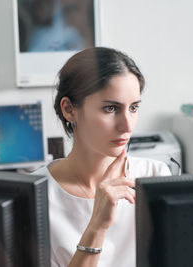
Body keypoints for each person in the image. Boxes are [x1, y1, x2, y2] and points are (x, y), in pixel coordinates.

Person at [32, 47, 171, 267]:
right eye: (110, 109)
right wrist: (97, 225)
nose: (127, 126)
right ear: (69, 109)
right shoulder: (36, 196)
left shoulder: (154, 176)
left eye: (133, 108)